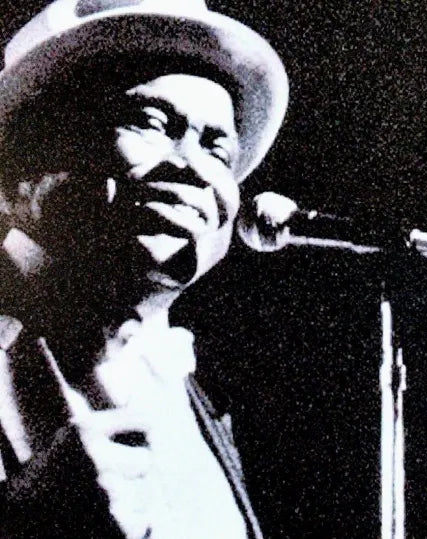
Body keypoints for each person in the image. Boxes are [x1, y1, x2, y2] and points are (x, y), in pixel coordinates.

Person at [0, 0, 288, 537]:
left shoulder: (201, 397)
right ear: (23, 170)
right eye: (150, 123)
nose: (193, 168)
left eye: (218, 150)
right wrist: (27, 519)